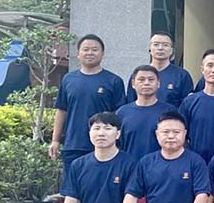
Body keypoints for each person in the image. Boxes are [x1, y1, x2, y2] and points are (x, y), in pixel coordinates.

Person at [50, 34, 127, 178]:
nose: (90, 53)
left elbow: (120, 115)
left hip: (104, 145)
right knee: (72, 187)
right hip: (74, 144)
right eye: (86, 49)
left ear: (102, 54)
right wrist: (55, 140)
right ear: (78, 54)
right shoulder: (68, 79)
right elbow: (61, 111)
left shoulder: (114, 81)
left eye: (94, 50)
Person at [117, 65, 176, 160]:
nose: (146, 83)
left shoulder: (170, 112)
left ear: (158, 83)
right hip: (130, 166)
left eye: (151, 79)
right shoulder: (122, 113)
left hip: (160, 165)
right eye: (141, 79)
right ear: (133, 84)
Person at [126, 32, 193, 108]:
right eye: (156, 44)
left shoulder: (182, 75)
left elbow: (186, 105)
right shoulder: (139, 74)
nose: (160, 48)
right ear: (150, 49)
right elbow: (130, 103)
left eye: (165, 45)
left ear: (171, 50)